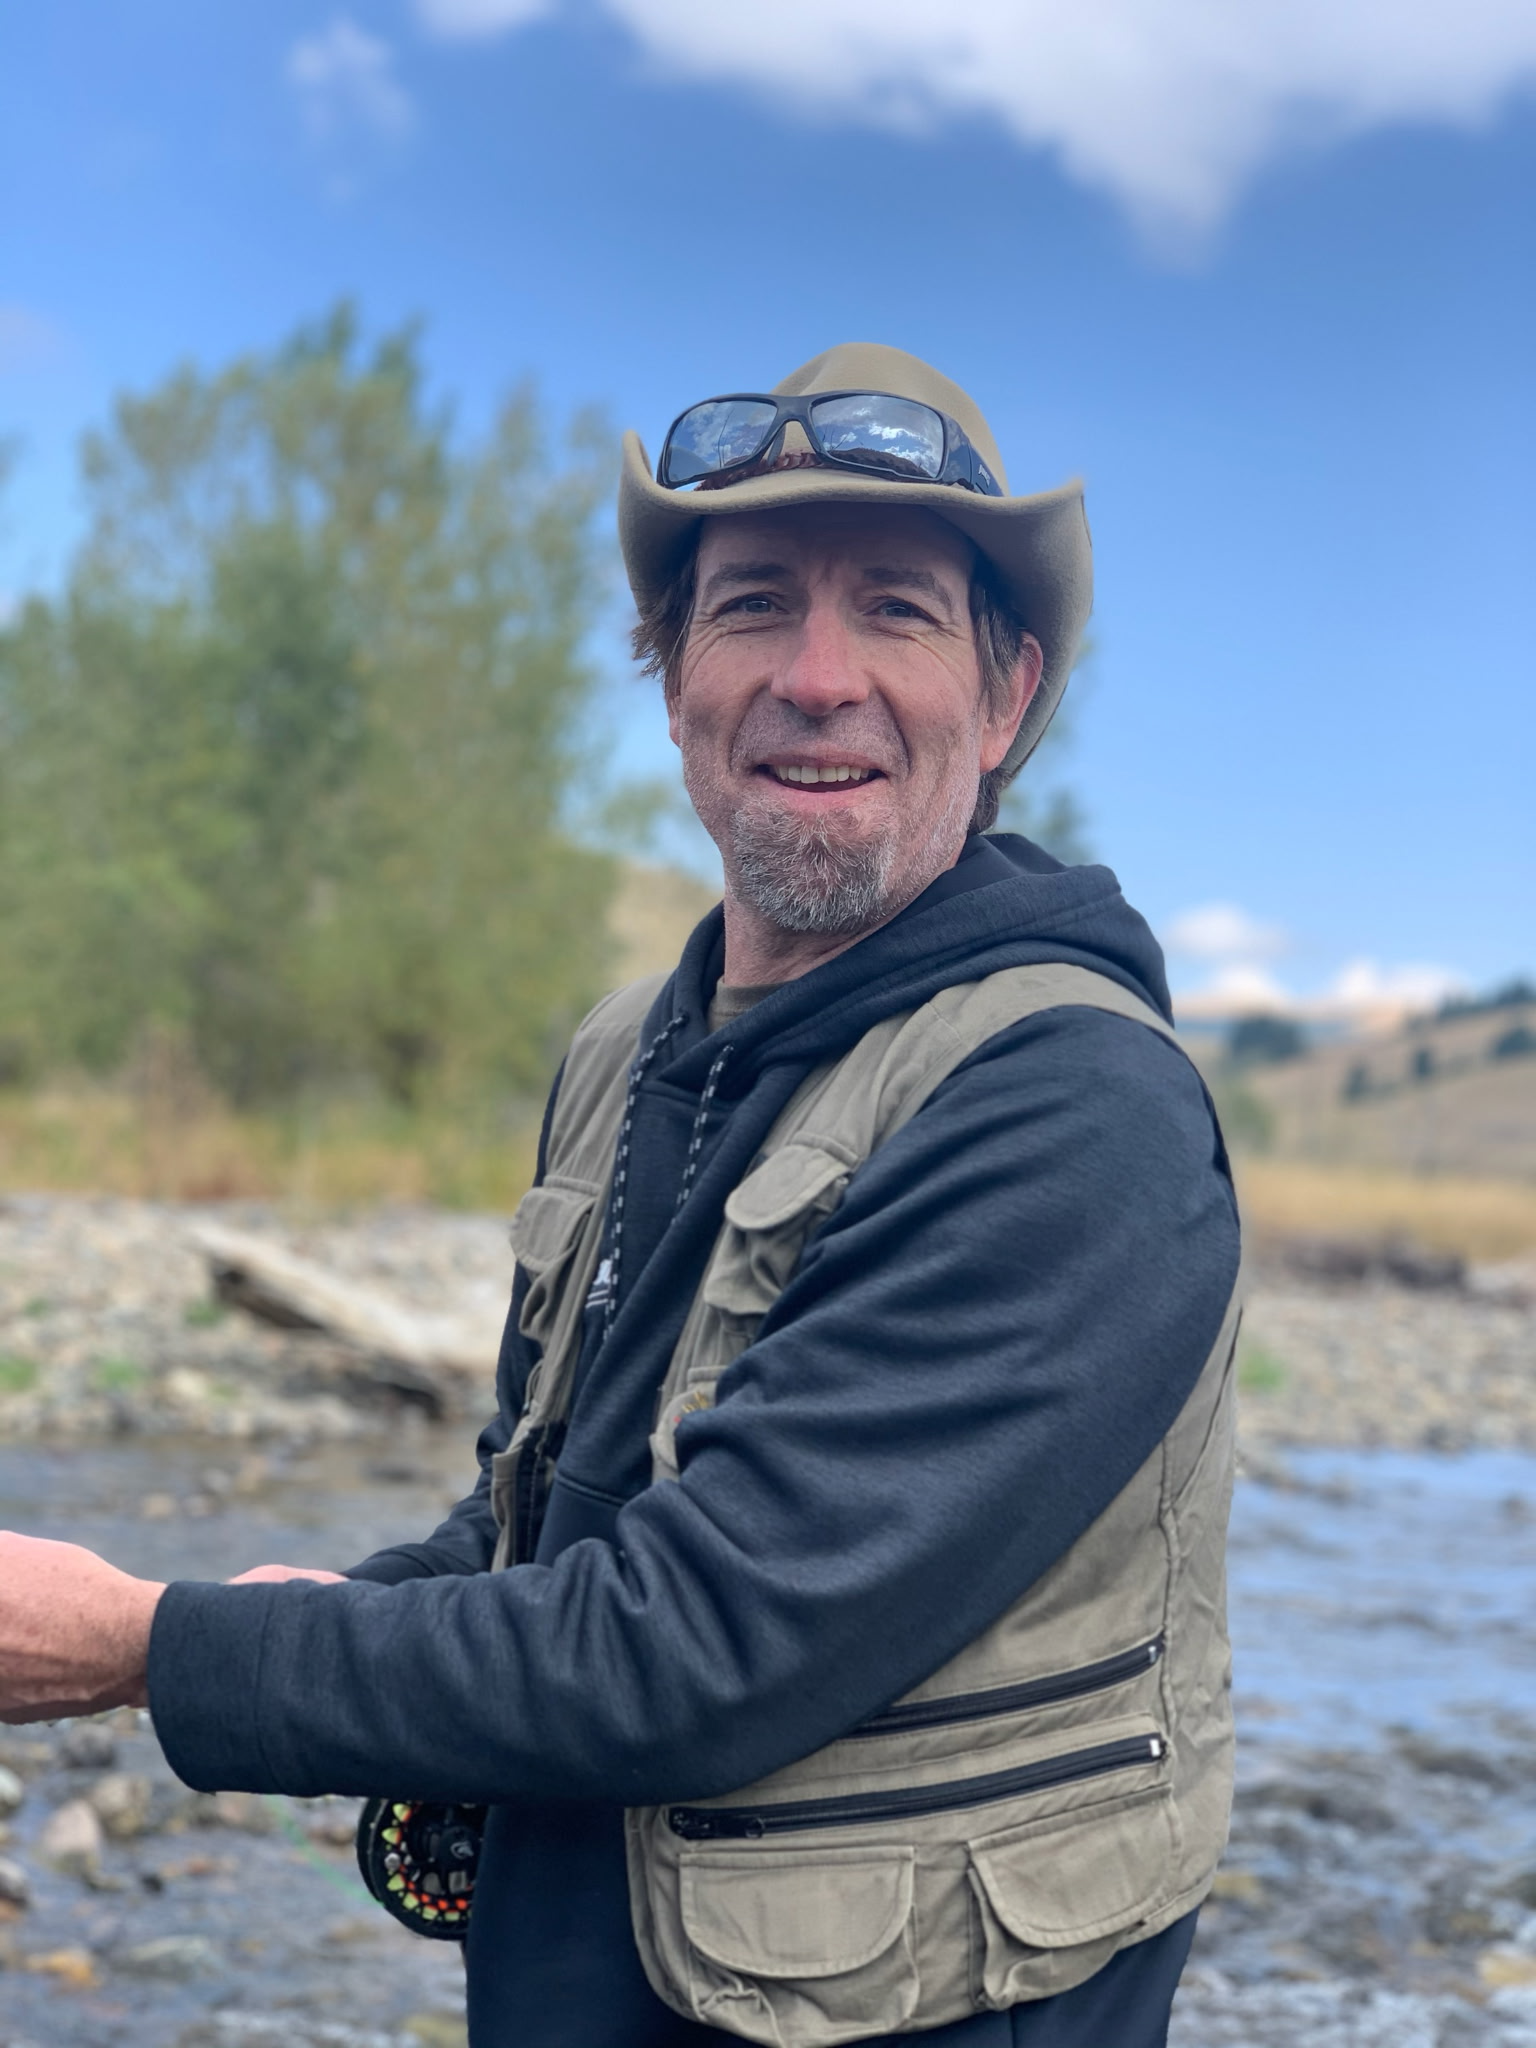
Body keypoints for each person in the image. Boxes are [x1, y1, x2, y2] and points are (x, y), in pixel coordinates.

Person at [0, 343, 1241, 2048]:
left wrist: (151, 1647)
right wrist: (345, 1615)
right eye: (751, 606)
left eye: (895, 610)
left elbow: (699, 1643)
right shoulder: (625, 1047)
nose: (817, 677)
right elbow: (551, 1511)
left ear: (1007, 695)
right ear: (672, 683)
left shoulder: (1074, 1105)